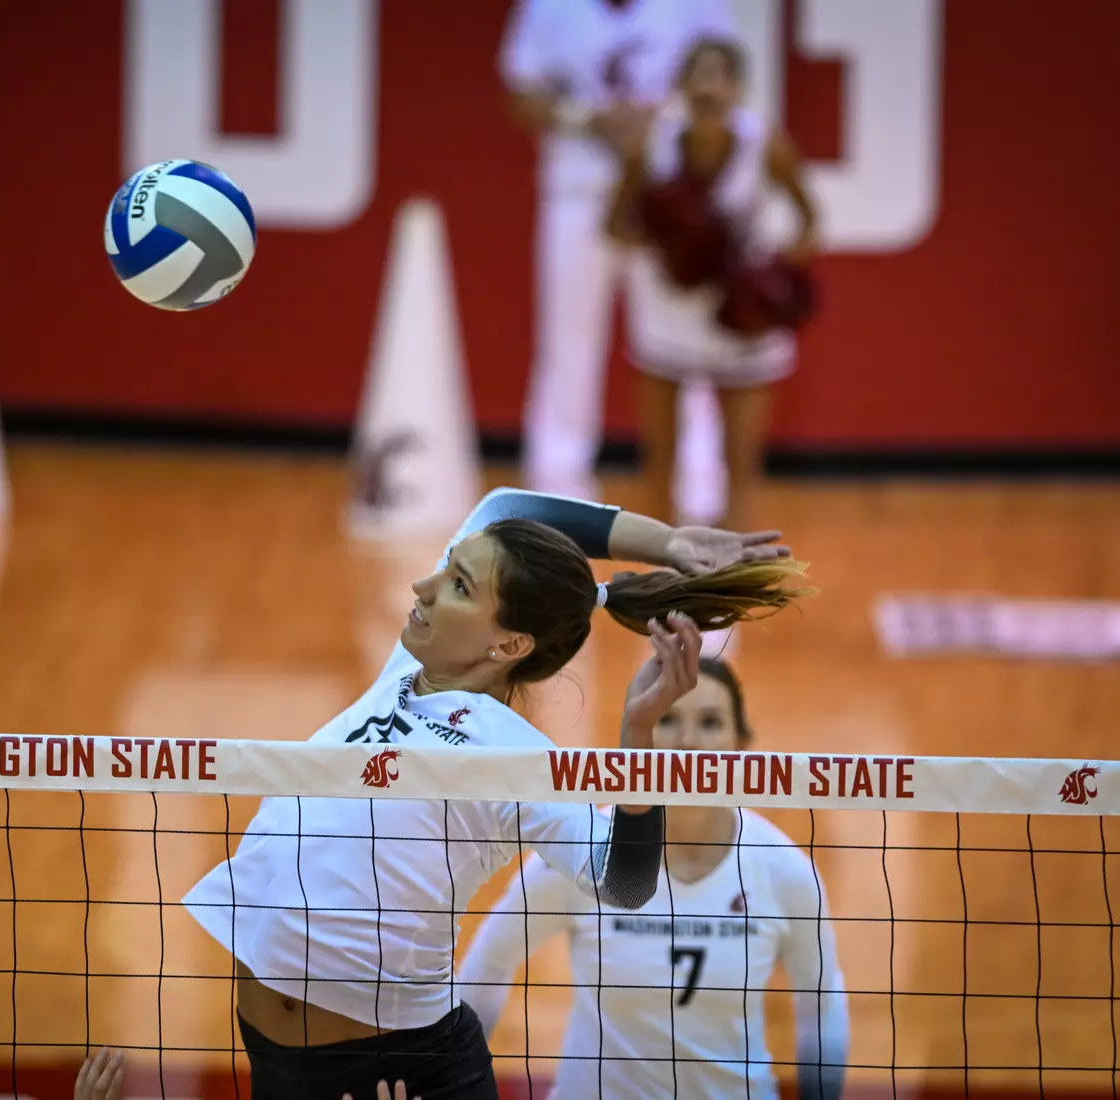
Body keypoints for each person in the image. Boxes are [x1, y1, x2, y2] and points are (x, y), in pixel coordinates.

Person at [183, 487, 809, 1099]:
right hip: (277, 1059)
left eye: (458, 585)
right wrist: (666, 543)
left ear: (508, 644)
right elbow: (504, 508)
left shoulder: (518, 759)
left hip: (398, 1067)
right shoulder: (405, 671)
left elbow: (625, 884)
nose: (423, 587)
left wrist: (637, 739)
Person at [454, 658, 848, 1099]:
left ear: (740, 745)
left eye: (710, 723)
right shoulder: (584, 849)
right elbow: (490, 962)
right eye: (668, 719)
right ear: (640, 738)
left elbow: (821, 1001)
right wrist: (453, 1085)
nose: (688, 742)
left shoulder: (783, 870)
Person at [499, 0, 734, 503]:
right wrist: (588, 117)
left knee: (683, 337)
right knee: (568, 337)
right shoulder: (548, 8)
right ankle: (557, 480)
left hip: (668, 194)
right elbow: (521, 92)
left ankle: (698, 481)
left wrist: (663, 119)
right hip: (577, 189)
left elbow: (723, 75)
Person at [612, 37, 819, 532]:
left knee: (741, 468)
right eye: (699, 75)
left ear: (739, 88)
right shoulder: (651, 145)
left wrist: (769, 271)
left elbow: (809, 223)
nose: (709, 88)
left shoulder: (765, 145)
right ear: (680, 85)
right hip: (668, 310)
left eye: (721, 76)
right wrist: (668, 246)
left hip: (737, 316)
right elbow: (614, 223)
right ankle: (660, 569)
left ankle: (734, 573)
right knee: (659, 463)